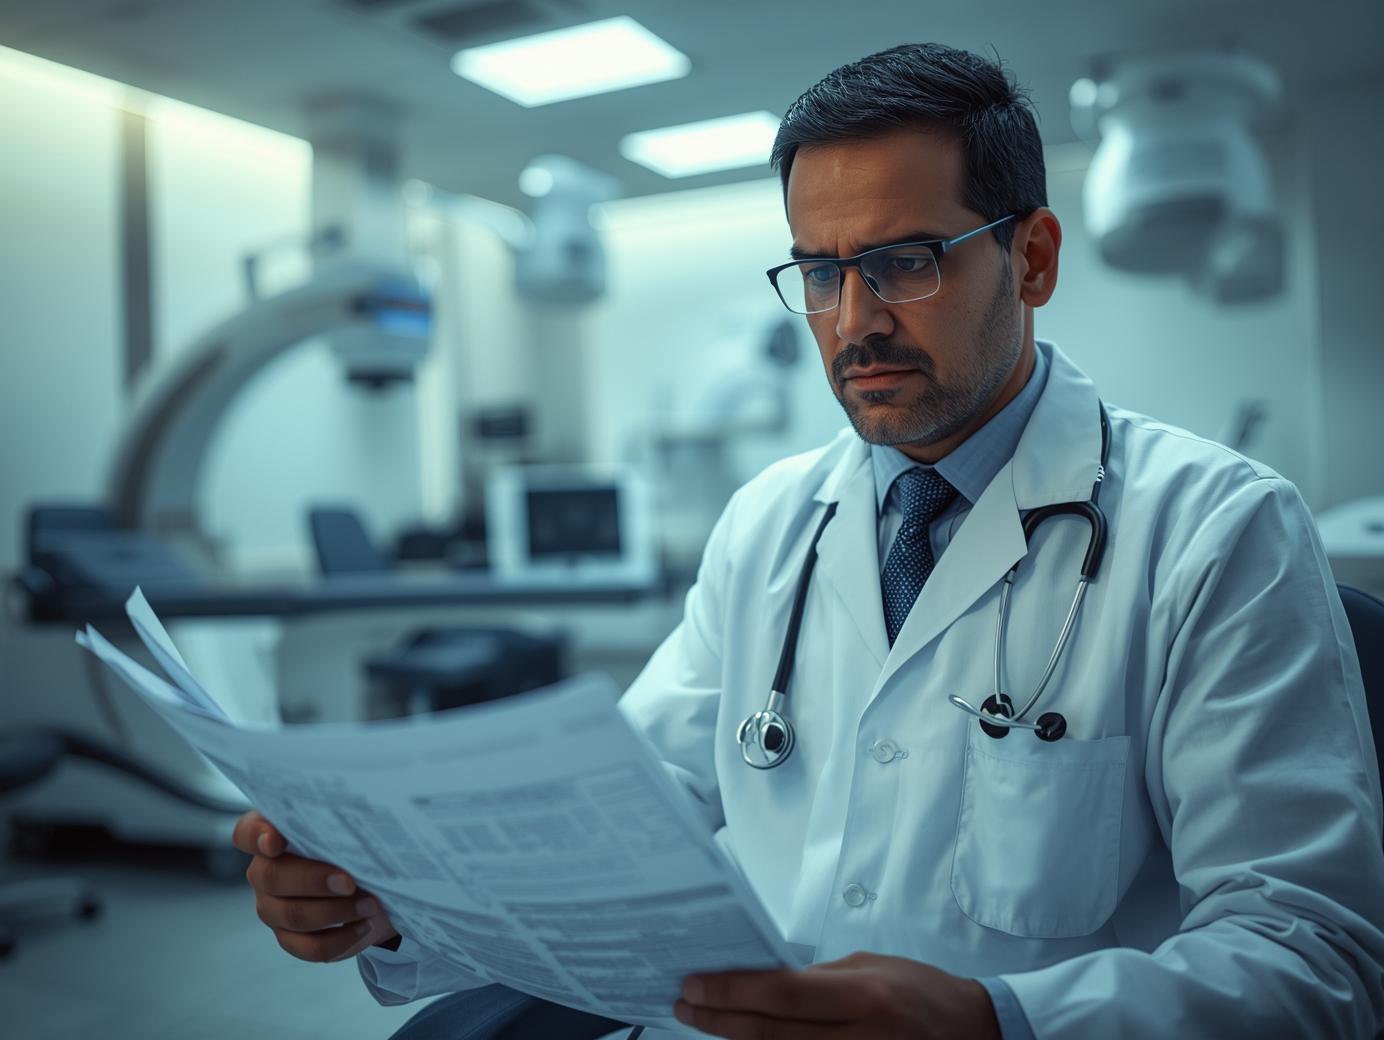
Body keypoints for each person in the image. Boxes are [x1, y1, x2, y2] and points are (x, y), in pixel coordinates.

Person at [233, 43, 1384, 1039]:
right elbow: (639, 814)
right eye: (821, 271)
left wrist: (997, 1016)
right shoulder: (772, 520)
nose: (854, 320)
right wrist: (395, 900)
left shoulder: (1216, 528)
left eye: (903, 261)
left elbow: (1314, 956)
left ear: (1030, 256)